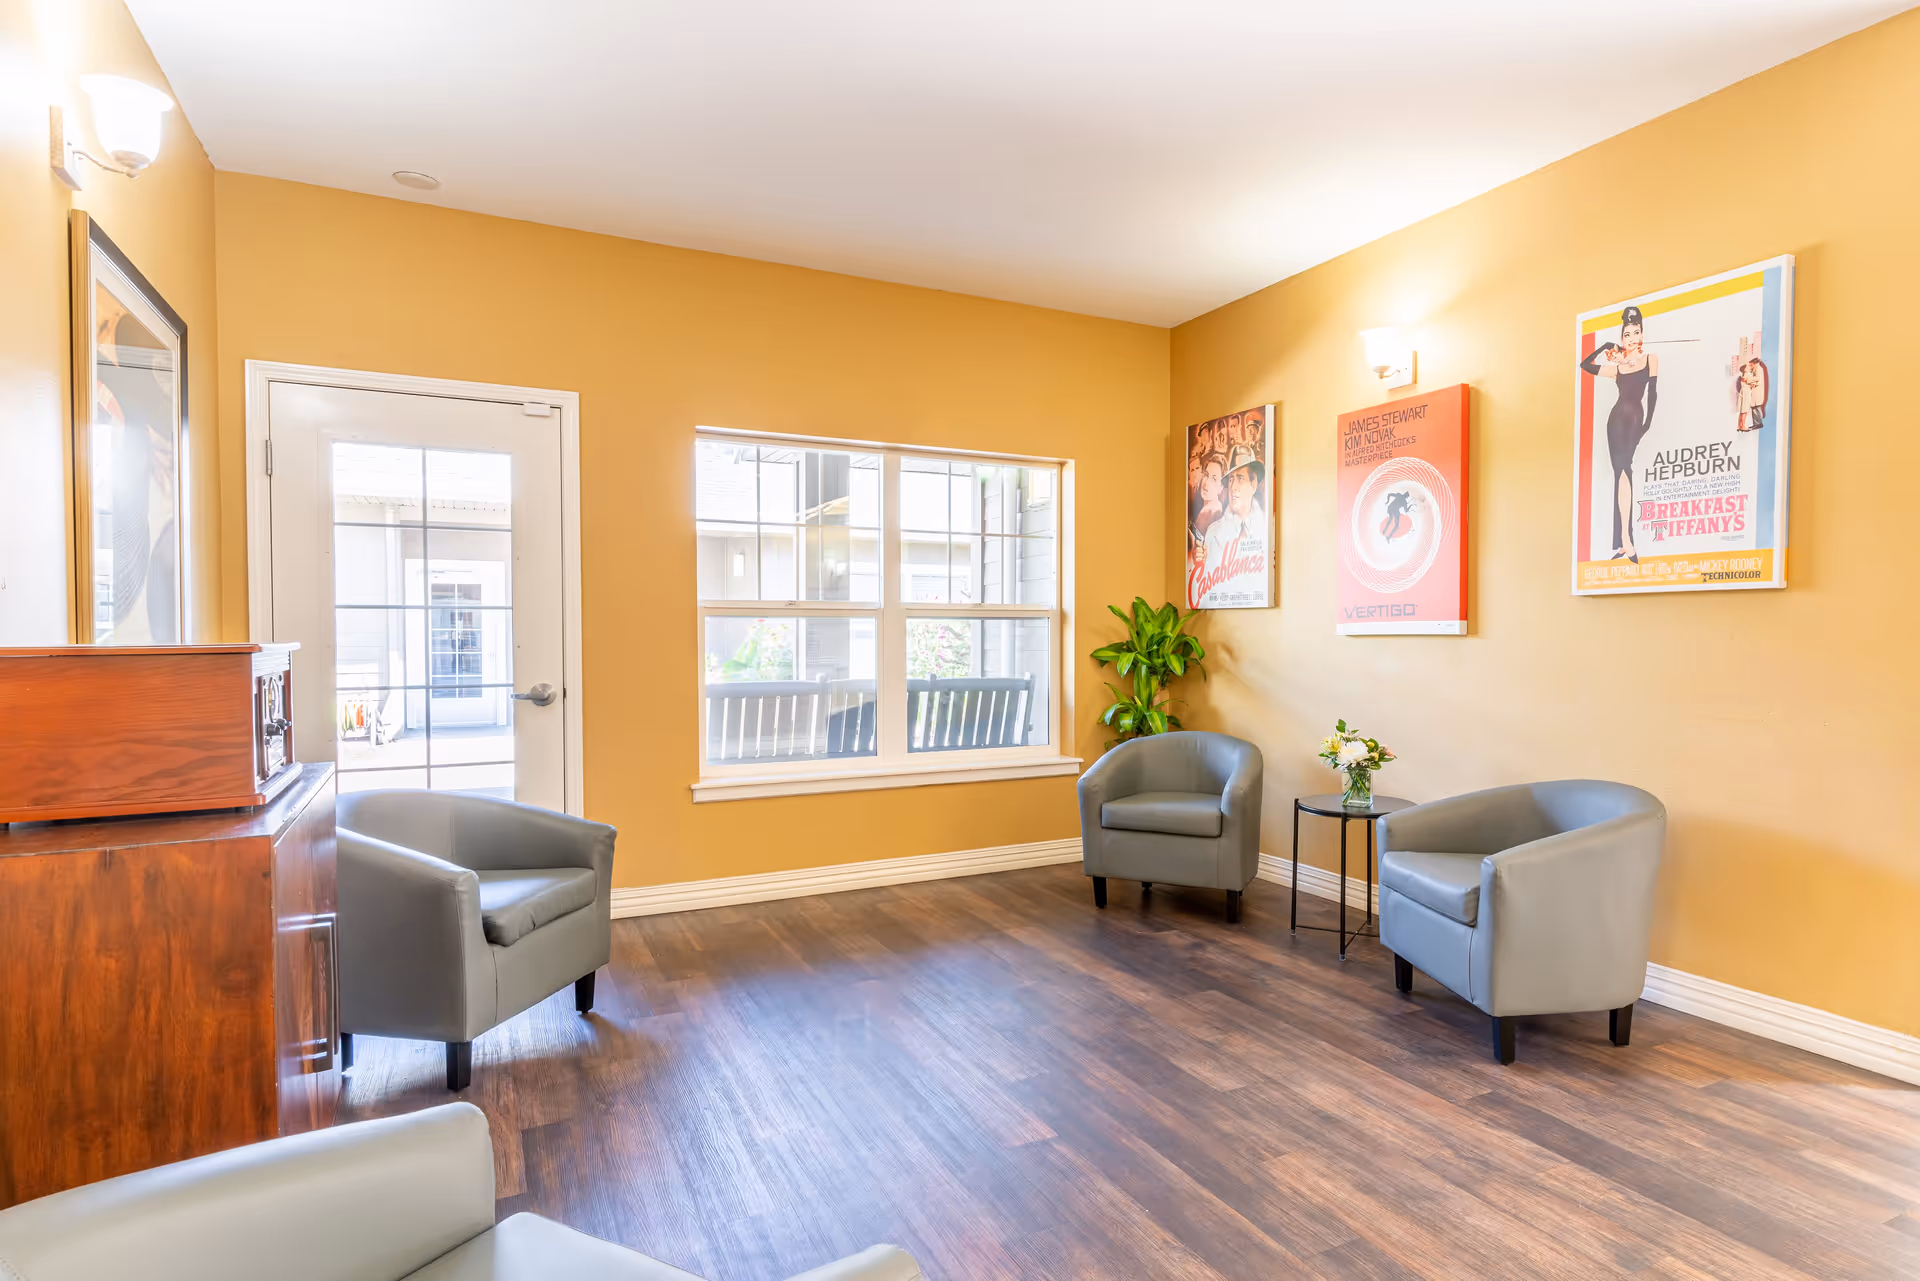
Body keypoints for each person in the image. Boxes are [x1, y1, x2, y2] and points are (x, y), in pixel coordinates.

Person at [1579, 304, 1659, 562]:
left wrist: (1647, 424)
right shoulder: (1618, 368)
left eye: (1636, 332)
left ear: (1642, 334)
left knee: (1625, 472)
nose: (1632, 338)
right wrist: (1605, 347)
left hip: (1635, 419)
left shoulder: (1650, 359)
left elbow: (1653, 393)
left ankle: (1626, 539)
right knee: (1621, 473)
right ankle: (1625, 541)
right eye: (1627, 334)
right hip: (1615, 422)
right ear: (1622, 338)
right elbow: (1585, 365)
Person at [1202, 443, 1266, 578]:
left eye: (1240, 478)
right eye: (1231, 479)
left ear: (1253, 484)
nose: (1233, 487)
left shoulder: (1267, 530)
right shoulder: (1213, 533)